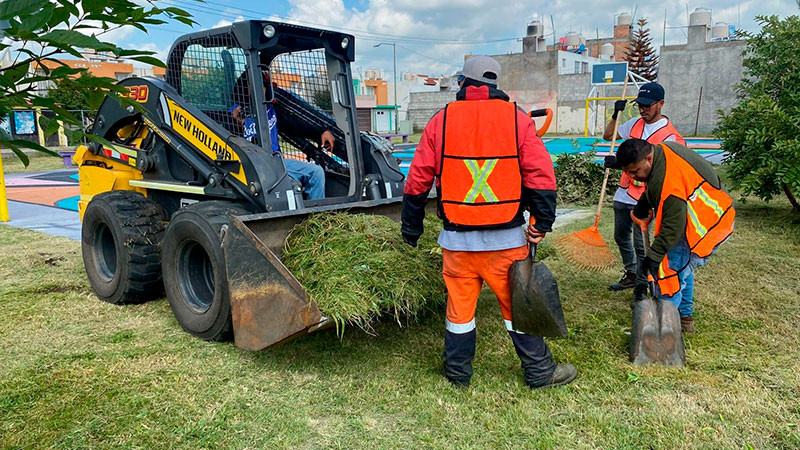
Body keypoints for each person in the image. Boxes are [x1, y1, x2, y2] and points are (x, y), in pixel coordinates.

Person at [401, 55, 577, 389]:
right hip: (507, 243)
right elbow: (540, 175)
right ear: (495, 85)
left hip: (457, 245)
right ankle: (540, 372)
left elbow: (418, 180)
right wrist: (542, 221)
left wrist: (411, 227)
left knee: (459, 313)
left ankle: (457, 374)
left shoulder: (441, 121)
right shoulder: (517, 120)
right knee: (517, 307)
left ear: (463, 84)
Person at [616, 138, 735, 334]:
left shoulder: (668, 182)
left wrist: (655, 256)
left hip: (705, 226)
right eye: (628, 172)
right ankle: (685, 320)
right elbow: (659, 182)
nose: (632, 176)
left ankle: (663, 333)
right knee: (681, 271)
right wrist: (645, 200)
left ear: (648, 158)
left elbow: (673, 227)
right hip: (709, 216)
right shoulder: (662, 150)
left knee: (669, 275)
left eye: (635, 171)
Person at [602, 82, 686, 292]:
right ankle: (631, 273)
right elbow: (608, 136)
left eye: (648, 105)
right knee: (620, 237)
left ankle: (644, 285)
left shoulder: (670, 136)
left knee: (642, 246)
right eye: (640, 104)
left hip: (646, 197)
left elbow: (668, 172)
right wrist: (615, 114)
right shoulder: (634, 124)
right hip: (624, 192)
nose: (643, 109)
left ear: (661, 104)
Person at [229, 70, 335, 200]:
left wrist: (321, 131)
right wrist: (236, 123)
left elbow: (296, 125)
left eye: (262, 86)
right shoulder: (235, 112)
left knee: (316, 172)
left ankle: (316, 216)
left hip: (275, 161)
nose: (259, 91)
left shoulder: (271, 109)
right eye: (253, 86)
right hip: (252, 165)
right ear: (245, 88)